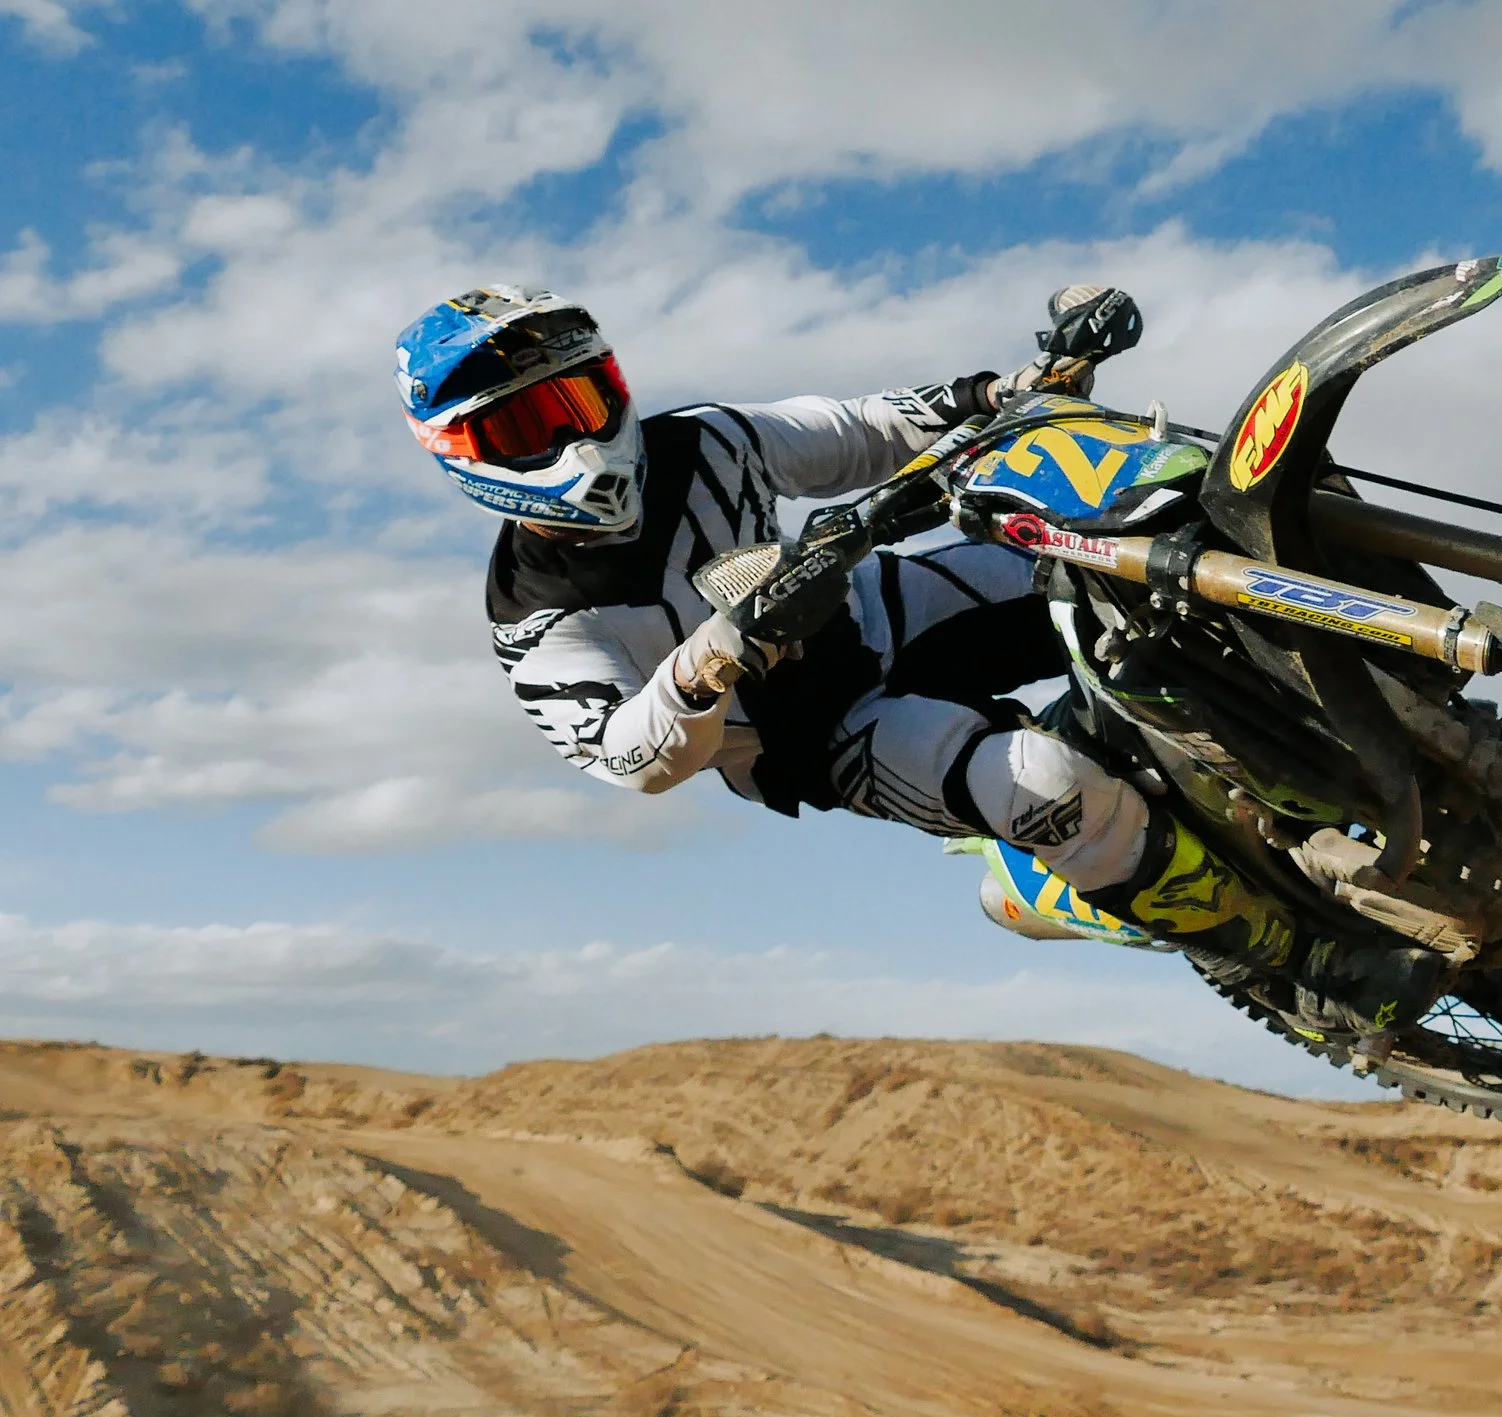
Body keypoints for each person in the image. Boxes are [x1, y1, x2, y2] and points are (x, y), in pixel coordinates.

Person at [393, 284, 1439, 1028]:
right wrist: (714, 657)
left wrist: (1012, 387)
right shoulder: (534, 619)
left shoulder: (703, 441)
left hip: (879, 609)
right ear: (467, 456)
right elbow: (634, 760)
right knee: (1045, 784)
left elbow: (859, 430)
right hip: (811, 734)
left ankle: (1358, 707)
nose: (577, 437)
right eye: (528, 422)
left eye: (579, 398)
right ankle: (1294, 960)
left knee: (1128, 554)